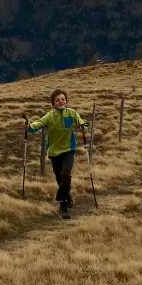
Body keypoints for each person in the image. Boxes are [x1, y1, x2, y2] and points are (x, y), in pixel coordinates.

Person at [25, 89, 87, 219]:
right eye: (57, 100)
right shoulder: (50, 116)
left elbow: (81, 121)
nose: (60, 101)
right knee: (60, 178)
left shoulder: (71, 113)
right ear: (53, 103)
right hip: (54, 152)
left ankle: (62, 204)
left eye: (63, 99)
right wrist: (30, 127)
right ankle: (67, 197)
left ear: (66, 101)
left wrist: (83, 125)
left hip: (69, 149)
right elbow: (39, 123)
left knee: (66, 173)